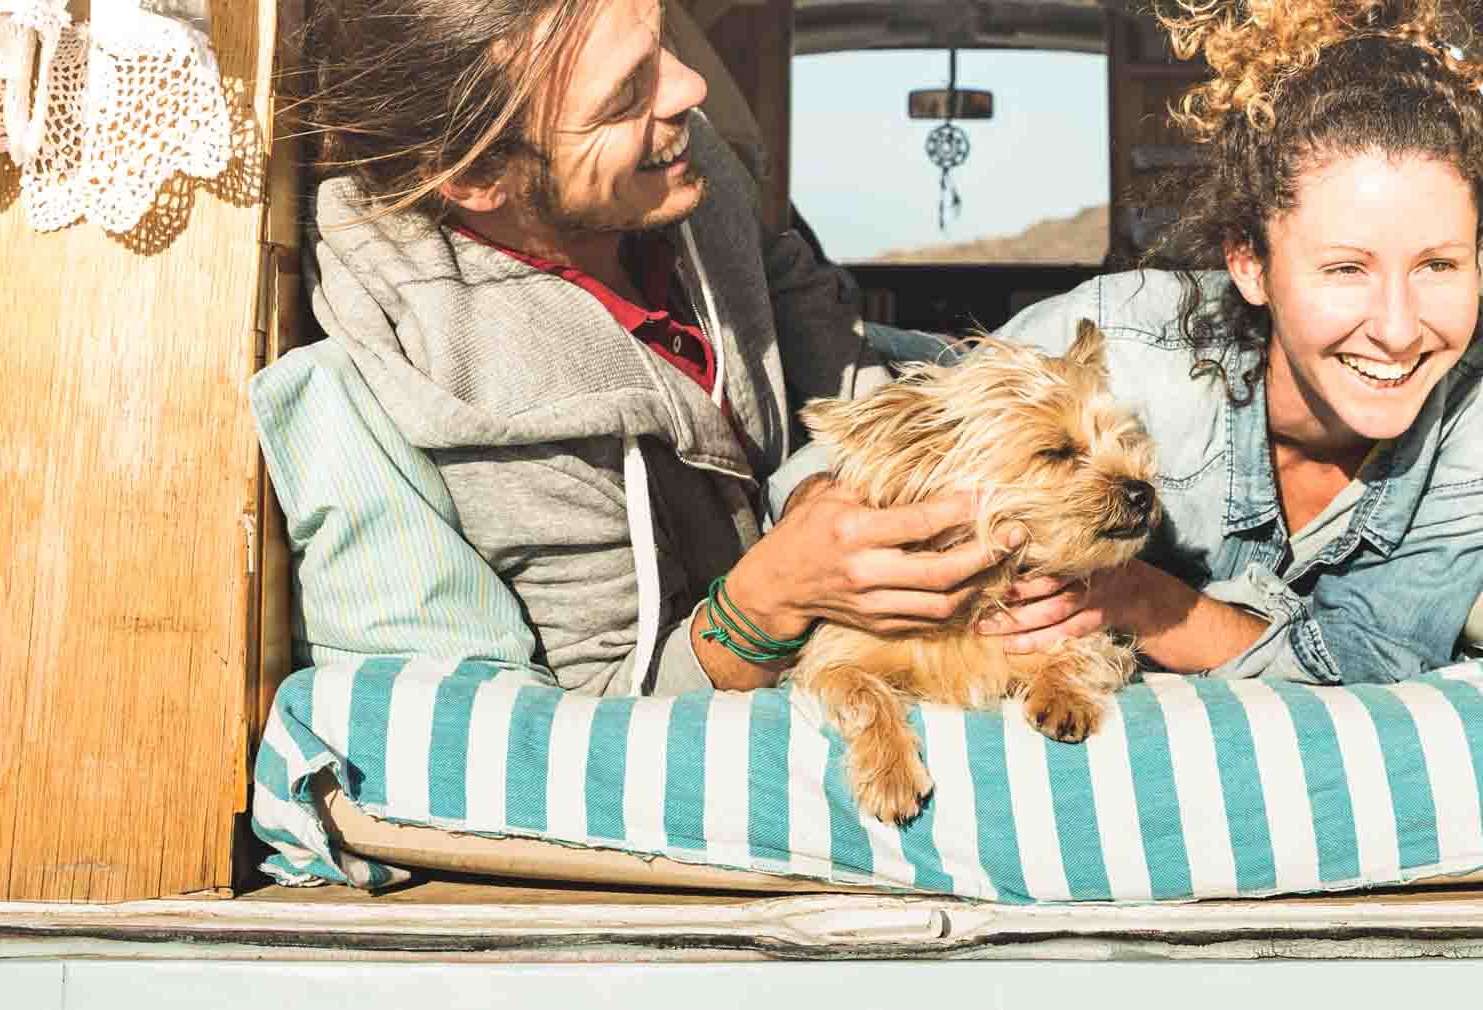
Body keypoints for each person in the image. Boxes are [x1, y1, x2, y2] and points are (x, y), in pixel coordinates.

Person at [771, 0, 1483, 684]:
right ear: (1249, 263)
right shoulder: (1120, 344)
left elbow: (1375, 659)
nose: (1399, 329)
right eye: (1345, 269)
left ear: (1480, 254)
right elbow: (848, 467)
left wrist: (1141, 600)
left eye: (1438, 264)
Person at [286, 0, 1002, 696]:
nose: (690, 89)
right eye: (626, 94)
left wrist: (832, 480)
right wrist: (768, 605)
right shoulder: (493, 403)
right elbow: (612, 704)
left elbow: (788, 285)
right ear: (478, 177)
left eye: (663, 42)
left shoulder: (683, 173)